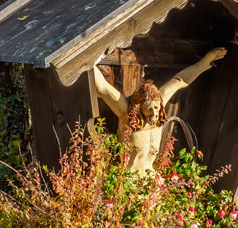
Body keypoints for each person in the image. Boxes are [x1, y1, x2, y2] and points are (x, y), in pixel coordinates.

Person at [92, 47, 227, 174]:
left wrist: (205, 61)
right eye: (148, 109)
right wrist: (88, 62)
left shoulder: (160, 104)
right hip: (129, 183)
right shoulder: (128, 115)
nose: (154, 113)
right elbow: (103, 88)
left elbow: (180, 80)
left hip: (152, 180)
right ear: (138, 108)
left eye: (156, 108)